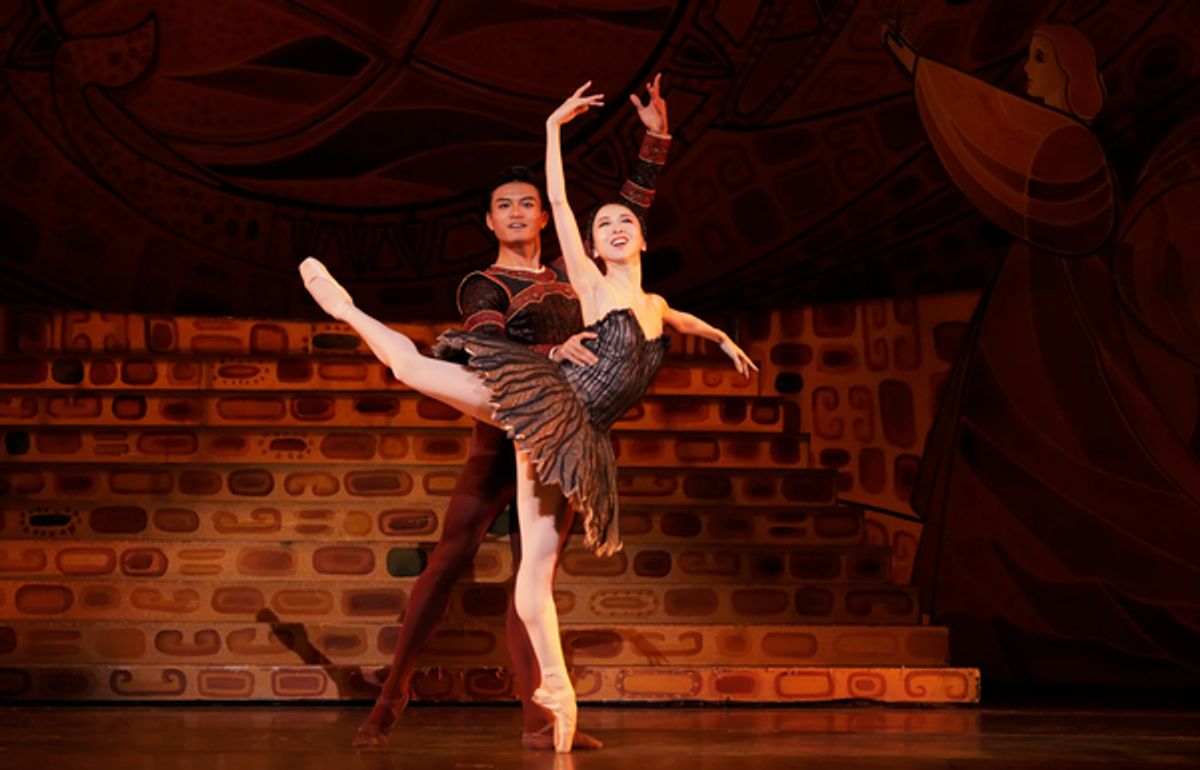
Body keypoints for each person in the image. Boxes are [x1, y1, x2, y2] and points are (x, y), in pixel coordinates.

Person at [300, 83, 755, 752]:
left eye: (527, 204)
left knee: (533, 575)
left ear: (542, 218)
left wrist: (655, 142)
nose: (517, 212)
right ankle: (394, 690)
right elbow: (488, 349)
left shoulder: (578, 280)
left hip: (564, 435)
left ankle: (541, 717)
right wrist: (551, 347)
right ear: (489, 222)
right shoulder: (483, 283)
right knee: (450, 559)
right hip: (501, 429)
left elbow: (623, 219)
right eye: (503, 206)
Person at [883, 23, 1200, 685]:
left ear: (1066, 69)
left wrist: (923, 71)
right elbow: (991, 129)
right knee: (1007, 453)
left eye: (1036, 59)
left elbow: (988, 135)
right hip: (1027, 307)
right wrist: (919, 69)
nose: (1025, 71)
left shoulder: (1069, 147)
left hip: (1059, 321)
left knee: (1060, 443)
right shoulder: (1054, 139)